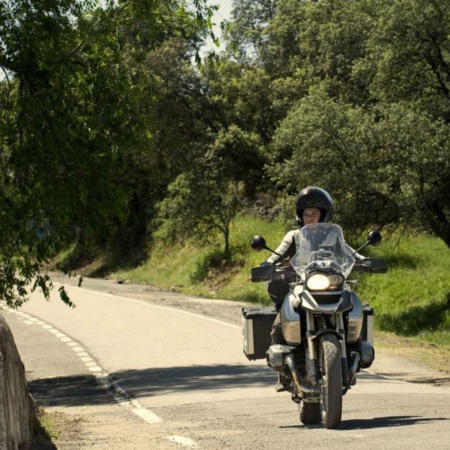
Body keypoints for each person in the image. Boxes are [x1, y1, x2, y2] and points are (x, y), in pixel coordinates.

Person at [261, 186, 362, 392]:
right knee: (282, 319)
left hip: (330, 282)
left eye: (314, 213)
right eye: (306, 214)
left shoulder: (334, 236)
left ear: (323, 215)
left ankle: (355, 354)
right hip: (301, 285)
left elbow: (350, 254)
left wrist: (365, 260)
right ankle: (283, 374)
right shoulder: (294, 236)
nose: (310, 218)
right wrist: (267, 263)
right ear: (300, 216)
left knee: (355, 307)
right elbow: (278, 254)